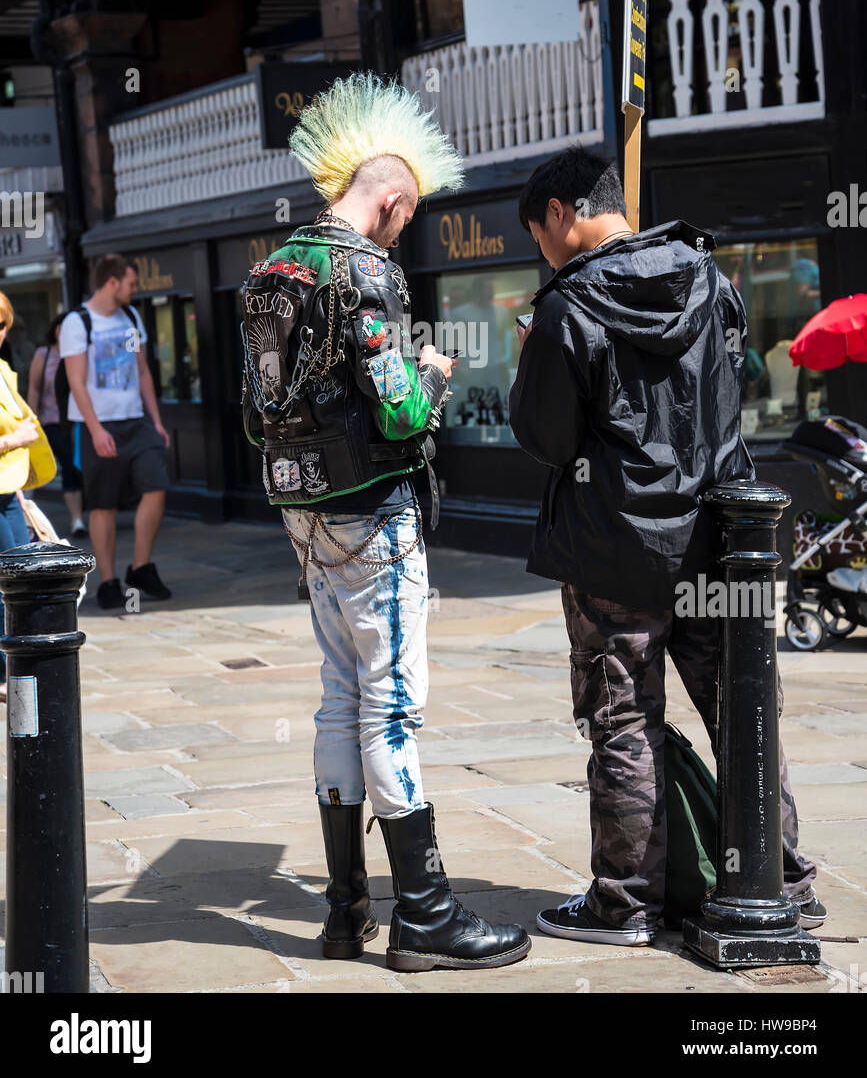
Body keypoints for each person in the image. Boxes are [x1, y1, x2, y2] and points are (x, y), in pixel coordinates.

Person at [241, 72, 530, 972]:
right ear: (392, 196)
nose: (407, 227)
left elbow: (255, 411)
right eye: (409, 213)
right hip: (372, 510)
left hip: (299, 505)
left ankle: (342, 912)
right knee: (391, 708)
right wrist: (436, 372)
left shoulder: (271, 268)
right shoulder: (367, 271)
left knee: (337, 697)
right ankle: (427, 916)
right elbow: (401, 414)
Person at [508, 146, 822, 946]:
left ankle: (627, 904)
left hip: (613, 548)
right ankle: (782, 878)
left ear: (559, 214)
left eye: (535, 234)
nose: (539, 251)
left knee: (622, 721)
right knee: (742, 714)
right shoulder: (710, 280)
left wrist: (528, 358)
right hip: (720, 538)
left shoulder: (565, 307)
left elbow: (546, 439)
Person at [59, 254, 172, 611]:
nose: (135, 290)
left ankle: (140, 567)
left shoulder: (132, 317)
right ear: (112, 282)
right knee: (103, 506)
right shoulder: (78, 323)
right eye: (131, 283)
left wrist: (155, 421)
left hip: (136, 422)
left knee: (156, 486)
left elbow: (142, 372)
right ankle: (108, 581)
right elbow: (76, 382)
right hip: (98, 425)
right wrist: (95, 430)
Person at [0, 290, 57, 701]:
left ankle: (19, 667)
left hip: (7, 493)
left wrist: (20, 491)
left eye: (3, 324)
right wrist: (15, 439)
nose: (0, 332)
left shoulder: (3, 369)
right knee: (11, 581)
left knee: (20, 578)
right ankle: (8, 671)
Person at [28, 313, 87, 537]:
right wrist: (33, 421)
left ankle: (79, 518)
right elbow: (34, 388)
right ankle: (75, 519)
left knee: (76, 468)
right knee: (66, 466)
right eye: (61, 328)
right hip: (50, 421)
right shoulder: (43, 355)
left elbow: (137, 354)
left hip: (76, 420)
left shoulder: (78, 353)